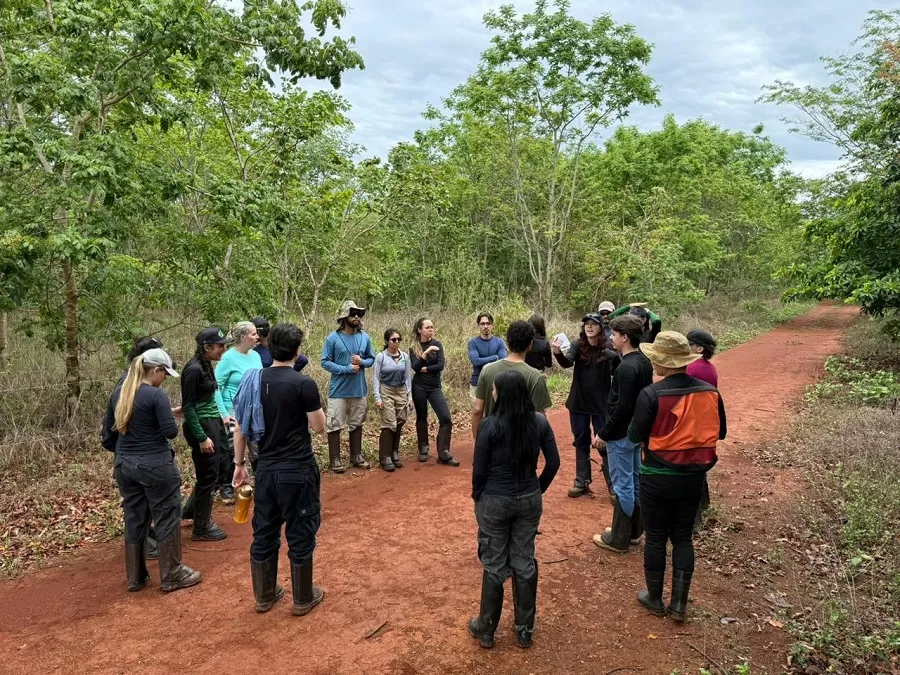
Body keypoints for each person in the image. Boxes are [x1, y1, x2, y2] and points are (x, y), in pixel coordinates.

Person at [630, 332, 727, 622]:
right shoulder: (710, 392)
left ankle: (655, 599)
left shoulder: (652, 394)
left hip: (656, 476)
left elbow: (635, 435)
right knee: (683, 538)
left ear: (664, 362)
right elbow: (720, 433)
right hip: (693, 477)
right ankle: (680, 605)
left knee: (657, 537)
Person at [232, 323, 327, 616]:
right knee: (301, 529)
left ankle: (265, 595)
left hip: (266, 470)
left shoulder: (252, 380)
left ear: (268, 348)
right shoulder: (303, 384)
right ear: (297, 351)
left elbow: (241, 427)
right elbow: (319, 427)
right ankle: (302, 598)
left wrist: (238, 465)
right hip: (297, 469)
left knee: (265, 530)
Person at [468, 370, 560, 649]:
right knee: (524, 560)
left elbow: (479, 469)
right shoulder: (540, 422)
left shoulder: (489, 426)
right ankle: (524, 630)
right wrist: (536, 489)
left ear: (502, 394)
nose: (493, 393)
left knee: (494, 562)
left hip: (495, 498)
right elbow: (553, 463)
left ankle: (486, 628)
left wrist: (478, 496)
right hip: (528, 498)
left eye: (495, 390)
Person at [103, 348, 201, 593]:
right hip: (155, 464)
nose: (165, 378)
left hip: (125, 464)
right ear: (155, 370)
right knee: (167, 514)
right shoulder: (155, 395)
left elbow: (113, 430)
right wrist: (167, 415)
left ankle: (135, 577)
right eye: (165, 373)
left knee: (135, 515)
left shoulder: (121, 392)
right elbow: (170, 432)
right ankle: (172, 574)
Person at [101, 335, 170, 560]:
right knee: (146, 506)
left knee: (137, 508)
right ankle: (148, 547)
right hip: (141, 456)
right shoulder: (129, 386)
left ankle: (137, 568)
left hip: (127, 456)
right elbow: (113, 427)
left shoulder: (129, 383)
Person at [591, 315, 654, 553]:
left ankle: (618, 537)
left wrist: (603, 435)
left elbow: (623, 407)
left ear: (625, 337)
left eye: (614, 334)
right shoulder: (643, 362)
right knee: (635, 479)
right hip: (635, 433)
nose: (611, 338)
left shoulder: (626, 367)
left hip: (621, 435)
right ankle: (635, 531)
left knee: (622, 484)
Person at [552, 312, 620, 499]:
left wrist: (614, 358)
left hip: (601, 404)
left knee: (604, 442)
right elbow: (567, 363)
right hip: (579, 401)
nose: (589, 327)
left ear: (600, 327)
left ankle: (613, 485)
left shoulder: (608, 347)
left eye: (593, 324)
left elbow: (618, 369)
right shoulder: (577, 344)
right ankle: (581, 481)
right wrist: (557, 353)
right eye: (586, 324)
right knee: (580, 439)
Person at [180, 327, 234, 541]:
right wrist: (202, 437)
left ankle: (193, 510)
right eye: (220, 345)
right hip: (201, 425)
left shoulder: (206, 365)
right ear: (207, 347)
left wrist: (219, 417)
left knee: (220, 466)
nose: (223, 349)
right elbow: (189, 406)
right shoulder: (193, 370)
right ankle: (201, 527)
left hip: (213, 422)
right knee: (208, 475)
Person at [321, 301, 376, 473]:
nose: (357, 317)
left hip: (359, 389)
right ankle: (335, 459)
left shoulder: (364, 337)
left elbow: (372, 359)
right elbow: (325, 362)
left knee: (357, 422)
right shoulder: (332, 338)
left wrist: (362, 362)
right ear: (344, 317)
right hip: (338, 391)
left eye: (359, 314)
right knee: (335, 424)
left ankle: (356, 455)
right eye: (353, 314)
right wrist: (346, 369)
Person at [472, 321, 552, 439]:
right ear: (530, 344)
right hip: (522, 443)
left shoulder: (487, 370)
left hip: (493, 439)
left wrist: (477, 440)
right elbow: (539, 417)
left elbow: (478, 410)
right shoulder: (535, 376)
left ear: (507, 343)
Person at [214, 321, 261, 504]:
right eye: (254, 334)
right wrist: (224, 413)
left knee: (257, 445)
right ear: (243, 337)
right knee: (233, 446)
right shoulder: (228, 358)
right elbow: (216, 387)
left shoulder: (256, 356)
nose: (257, 337)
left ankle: (260, 481)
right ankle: (227, 487)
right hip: (233, 410)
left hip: (254, 409)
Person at [410, 317, 458, 466]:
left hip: (434, 387)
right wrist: (426, 353)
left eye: (432, 327)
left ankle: (443, 452)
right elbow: (415, 367)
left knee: (445, 418)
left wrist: (425, 368)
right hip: (419, 386)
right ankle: (423, 448)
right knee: (422, 416)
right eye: (427, 327)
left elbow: (440, 365)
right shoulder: (414, 347)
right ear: (420, 330)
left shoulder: (438, 344)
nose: (431, 329)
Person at [686, 329, 719, 530]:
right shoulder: (709, 367)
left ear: (699, 348)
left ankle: (693, 520)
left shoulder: (692, 368)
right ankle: (704, 506)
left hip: (693, 425)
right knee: (698, 468)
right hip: (705, 424)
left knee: (689, 470)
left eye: (689, 344)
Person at [373, 327, 412, 472]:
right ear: (387, 341)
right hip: (386, 390)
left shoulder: (405, 357)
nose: (396, 342)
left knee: (400, 421)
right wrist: (377, 397)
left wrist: (409, 396)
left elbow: (408, 377)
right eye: (393, 339)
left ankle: (394, 451)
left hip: (401, 390)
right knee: (389, 423)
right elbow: (376, 378)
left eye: (399, 339)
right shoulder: (381, 357)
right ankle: (385, 456)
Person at [467, 312, 507, 399]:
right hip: (477, 382)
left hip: (496, 384)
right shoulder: (473, 343)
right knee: (477, 411)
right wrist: (495, 357)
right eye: (482, 324)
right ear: (478, 326)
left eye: (488, 323)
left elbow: (503, 361)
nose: (485, 326)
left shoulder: (499, 342)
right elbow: (476, 361)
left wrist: (484, 360)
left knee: (496, 412)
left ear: (492, 325)